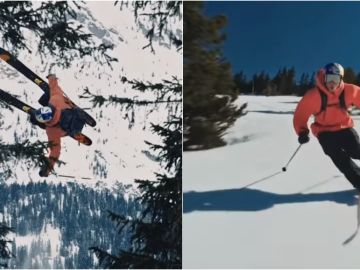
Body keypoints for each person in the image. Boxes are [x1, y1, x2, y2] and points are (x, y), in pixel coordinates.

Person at [293, 63, 360, 191]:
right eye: (329, 79)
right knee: (338, 156)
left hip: (344, 127)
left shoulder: (349, 91)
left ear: (341, 79)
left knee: (356, 150)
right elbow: (301, 114)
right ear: (324, 78)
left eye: (335, 79)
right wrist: (302, 131)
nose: (332, 83)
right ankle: (357, 180)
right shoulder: (314, 96)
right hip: (324, 131)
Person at [31, 74, 86, 177]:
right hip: (72, 114)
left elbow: (55, 151)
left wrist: (47, 168)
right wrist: (52, 78)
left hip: (66, 130)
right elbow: (54, 87)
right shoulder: (55, 99)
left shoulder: (52, 131)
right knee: (46, 97)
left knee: (41, 112)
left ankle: (37, 120)